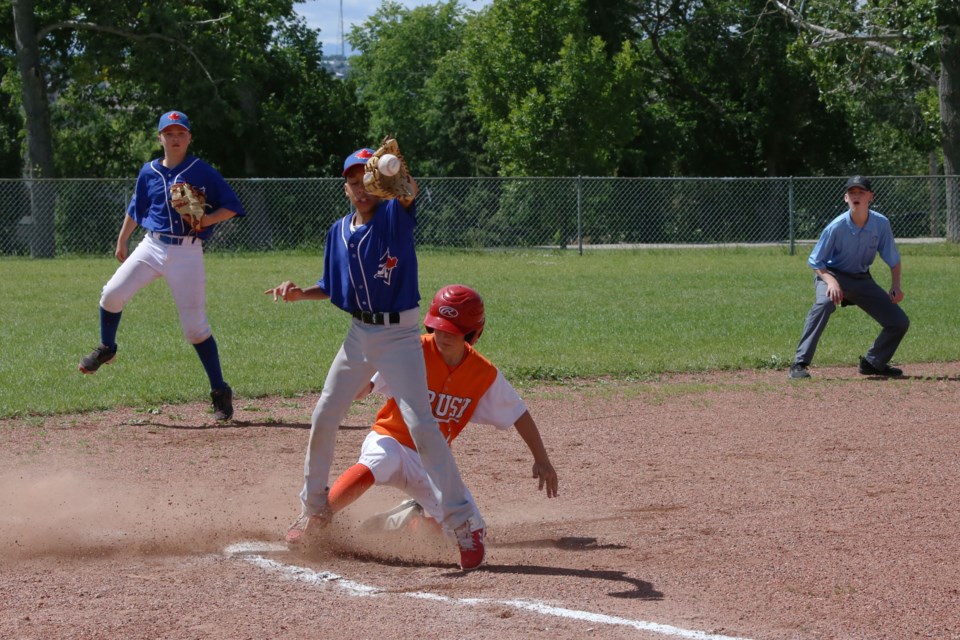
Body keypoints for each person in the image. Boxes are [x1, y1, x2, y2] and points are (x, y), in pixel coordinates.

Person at [264, 145, 487, 570]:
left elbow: (408, 195)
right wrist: (298, 293)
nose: (359, 187)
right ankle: (315, 511)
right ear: (345, 188)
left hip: (400, 334)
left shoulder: (392, 217)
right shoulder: (338, 232)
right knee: (325, 413)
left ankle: (465, 526)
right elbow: (331, 284)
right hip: (359, 334)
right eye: (352, 181)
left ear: (377, 185)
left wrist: (397, 179)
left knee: (423, 426)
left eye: (366, 179)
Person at [315, 285, 559, 562]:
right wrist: (356, 385)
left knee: (471, 530)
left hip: (432, 462)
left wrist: (542, 458)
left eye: (452, 330)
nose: (442, 335)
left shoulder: (483, 374)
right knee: (378, 461)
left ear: (473, 333)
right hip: (391, 439)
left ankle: (408, 520)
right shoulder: (411, 350)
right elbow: (367, 385)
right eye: (438, 327)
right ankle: (316, 519)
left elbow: (518, 413)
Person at [77, 110, 245, 421]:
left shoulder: (202, 170)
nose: (175, 138)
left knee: (195, 330)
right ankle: (107, 347)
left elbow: (233, 206)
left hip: (187, 252)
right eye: (169, 133)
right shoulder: (149, 171)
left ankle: (220, 391)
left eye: (181, 133)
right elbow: (136, 207)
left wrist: (207, 219)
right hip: (151, 245)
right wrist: (122, 239)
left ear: (189, 137)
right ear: (160, 138)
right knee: (111, 295)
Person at [789, 175, 909, 380]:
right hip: (831, 275)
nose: (856, 196)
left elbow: (893, 259)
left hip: (861, 279)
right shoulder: (836, 226)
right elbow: (815, 261)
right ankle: (799, 363)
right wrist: (831, 281)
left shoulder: (881, 224)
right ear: (845, 198)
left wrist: (895, 285)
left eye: (860, 192)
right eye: (852, 192)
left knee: (899, 321)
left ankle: (873, 362)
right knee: (825, 304)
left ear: (870, 196)